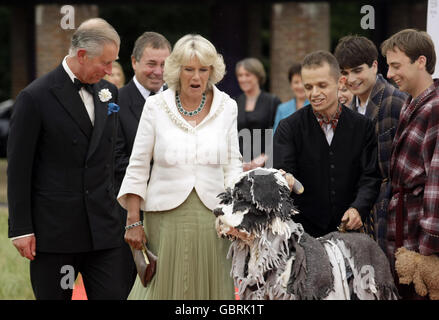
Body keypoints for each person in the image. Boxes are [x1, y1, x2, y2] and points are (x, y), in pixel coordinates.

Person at [7, 18, 128, 299]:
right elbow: (19, 169)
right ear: (82, 55)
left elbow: (108, 159)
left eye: (114, 63)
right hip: (56, 234)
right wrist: (21, 229)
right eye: (105, 63)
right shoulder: (34, 97)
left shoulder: (108, 95)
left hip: (104, 232)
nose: (111, 71)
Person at [117, 34, 242, 300]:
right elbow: (138, 164)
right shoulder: (155, 106)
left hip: (214, 220)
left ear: (212, 71)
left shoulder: (228, 106)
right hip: (164, 218)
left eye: (202, 70)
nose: (196, 77)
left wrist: (235, 213)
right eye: (189, 69)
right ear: (177, 71)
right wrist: (132, 221)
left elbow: (233, 164)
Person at [273, 50, 381, 238]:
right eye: (308, 87)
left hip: (350, 233)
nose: (314, 93)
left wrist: (358, 208)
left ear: (340, 83)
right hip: (302, 234)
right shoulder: (288, 127)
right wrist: (285, 178)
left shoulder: (363, 126)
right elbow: (283, 170)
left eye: (322, 85)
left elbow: (370, 177)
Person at [381, 29, 439, 299]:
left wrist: (428, 251)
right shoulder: (409, 103)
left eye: (396, 65)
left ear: (421, 61)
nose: (390, 74)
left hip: (421, 240)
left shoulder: (435, 109)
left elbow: (435, 184)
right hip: (402, 231)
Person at [334, 35, 407, 249]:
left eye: (358, 70)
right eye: (345, 73)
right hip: (362, 211)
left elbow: (399, 172)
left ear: (374, 66)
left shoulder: (395, 101)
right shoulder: (350, 108)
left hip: (392, 212)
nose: (352, 79)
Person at [115, 31, 171, 298]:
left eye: (165, 64)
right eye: (151, 63)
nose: (158, 71)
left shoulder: (180, 101)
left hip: (171, 214)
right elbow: (116, 160)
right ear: (134, 62)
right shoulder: (115, 102)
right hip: (126, 218)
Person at [235, 57, 281, 170]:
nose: (243, 79)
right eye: (240, 75)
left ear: (258, 76)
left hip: (266, 165)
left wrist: (265, 156)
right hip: (239, 165)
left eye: (247, 75)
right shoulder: (234, 102)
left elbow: (280, 134)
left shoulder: (272, 102)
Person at [273, 63, 308, 132]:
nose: (300, 86)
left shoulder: (317, 107)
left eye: (303, 82)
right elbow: (276, 135)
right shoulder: (282, 109)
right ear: (291, 85)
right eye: (296, 82)